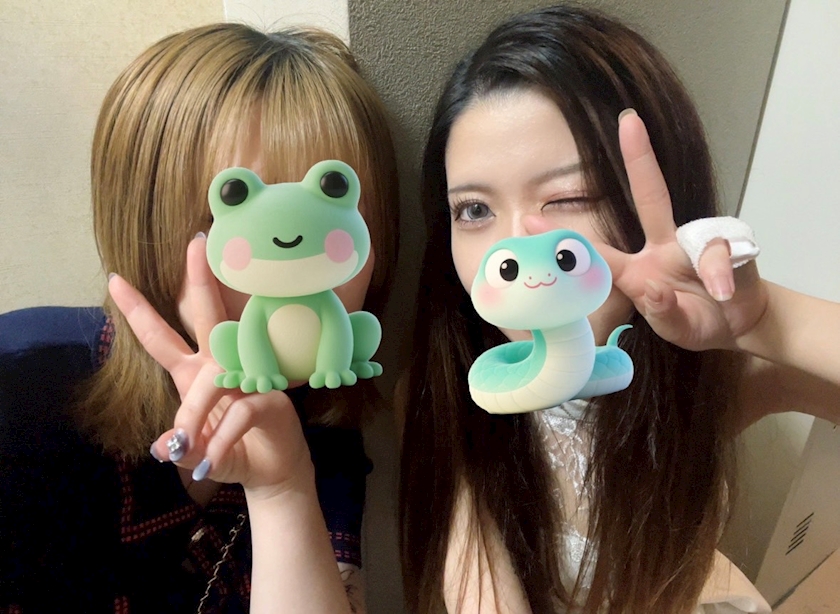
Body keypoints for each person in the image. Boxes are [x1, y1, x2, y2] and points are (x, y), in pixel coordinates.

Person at [398, 5, 840, 613]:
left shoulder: (714, 377)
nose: (515, 251)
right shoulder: (450, 392)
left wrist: (768, 324)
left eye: (568, 197)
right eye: (474, 210)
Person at [0, 22, 399, 613]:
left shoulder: (323, 429)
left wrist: (282, 488)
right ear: (148, 228)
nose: (295, 274)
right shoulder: (22, 387)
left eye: (331, 223)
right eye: (242, 225)